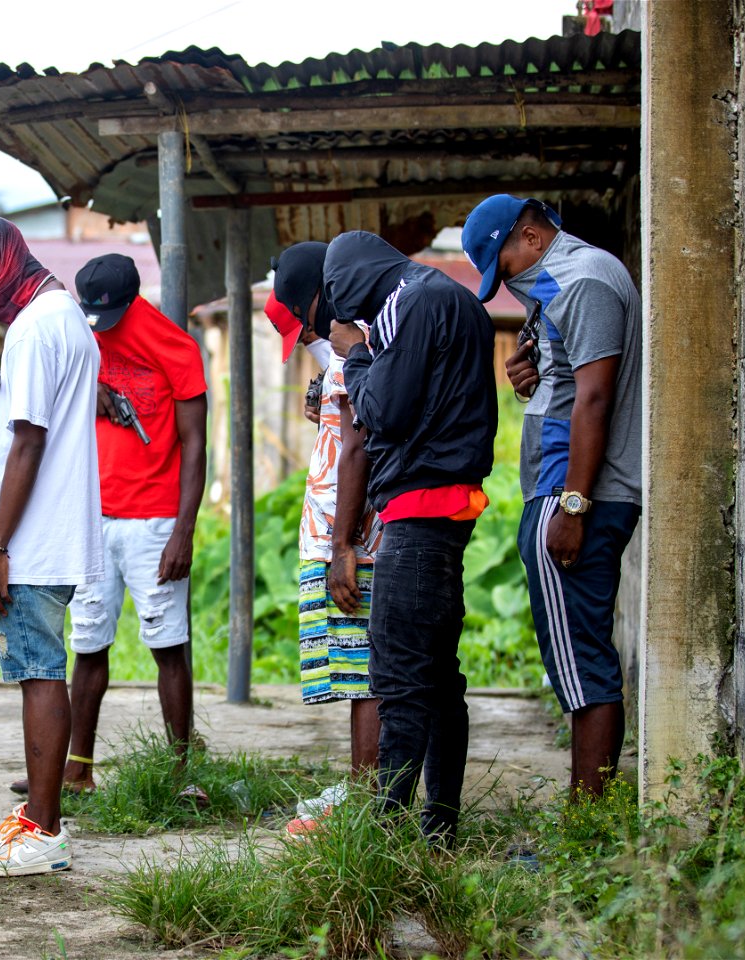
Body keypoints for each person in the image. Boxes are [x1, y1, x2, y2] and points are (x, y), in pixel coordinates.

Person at [0, 254, 208, 797]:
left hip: (155, 518)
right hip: (92, 515)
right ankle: (77, 768)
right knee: (88, 646)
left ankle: (182, 774)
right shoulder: (75, 337)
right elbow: (34, 411)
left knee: (168, 644)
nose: (98, 325)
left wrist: (185, 529)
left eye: (107, 315)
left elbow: (196, 442)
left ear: (134, 300)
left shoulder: (174, 346)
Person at [0, 216, 103, 876]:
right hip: (46, 531)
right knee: (39, 670)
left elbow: (32, 440)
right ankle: (37, 818)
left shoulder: (34, 327)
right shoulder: (63, 316)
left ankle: (44, 829)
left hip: (29, 540)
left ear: (1, 270)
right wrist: (1, 395)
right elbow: (36, 414)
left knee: (38, 674)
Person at [320, 230, 498, 846]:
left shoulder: (406, 302)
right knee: (439, 680)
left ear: (348, 284)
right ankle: (439, 830)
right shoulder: (455, 298)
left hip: (418, 510)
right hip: (449, 508)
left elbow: (385, 413)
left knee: (397, 679)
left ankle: (386, 836)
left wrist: (356, 353)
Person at [462, 194, 642, 800]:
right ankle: (585, 817)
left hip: (577, 493)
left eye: (506, 270)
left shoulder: (582, 280)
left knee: (581, 665)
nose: (510, 287)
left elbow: (595, 400)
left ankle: (585, 825)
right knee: (576, 660)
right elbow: (573, 384)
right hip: (562, 486)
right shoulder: (569, 284)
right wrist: (533, 376)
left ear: (532, 238)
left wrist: (572, 506)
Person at [265, 242, 382, 834]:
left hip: (351, 540)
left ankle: (367, 802)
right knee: (357, 668)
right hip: (343, 533)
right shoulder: (351, 353)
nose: (310, 329)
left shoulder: (350, 353)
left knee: (366, 674)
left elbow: (358, 446)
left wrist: (343, 549)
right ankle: (365, 787)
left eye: (303, 315)